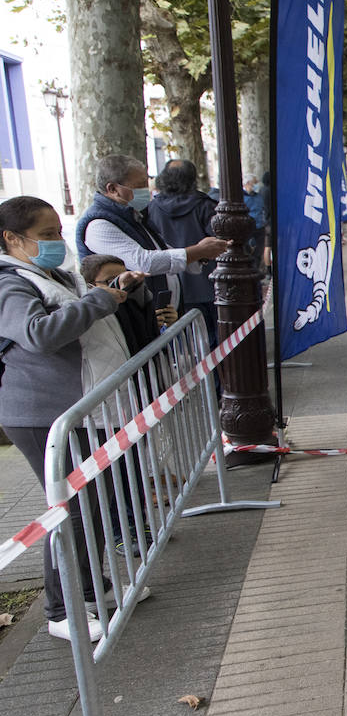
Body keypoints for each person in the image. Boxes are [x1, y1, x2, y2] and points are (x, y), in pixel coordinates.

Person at [0, 196, 147, 642]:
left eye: (58, 232)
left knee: (92, 504)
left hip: (82, 408)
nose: (57, 242)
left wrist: (113, 290)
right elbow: (40, 334)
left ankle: (88, 587)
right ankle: (61, 608)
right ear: (11, 239)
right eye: (46, 236)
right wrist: (101, 299)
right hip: (44, 415)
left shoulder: (49, 273)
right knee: (70, 509)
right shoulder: (10, 284)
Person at [77, 155, 227, 312]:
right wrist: (198, 251)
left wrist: (199, 254)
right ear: (113, 189)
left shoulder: (133, 214)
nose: (145, 190)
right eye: (139, 185)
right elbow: (144, 262)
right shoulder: (98, 225)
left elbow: (160, 249)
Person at [145, 159, 219, 347]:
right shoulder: (206, 206)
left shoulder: (151, 209)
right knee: (213, 342)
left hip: (170, 288)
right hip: (207, 285)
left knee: (184, 346)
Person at [80, 253, 178, 353]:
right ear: (90, 285)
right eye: (111, 281)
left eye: (126, 279)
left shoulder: (139, 304)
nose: (121, 286)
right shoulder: (92, 318)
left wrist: (162, 326)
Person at [242, 173, 266, 260]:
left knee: (259, 251)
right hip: (247, 227)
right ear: (248, 183)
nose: (256, 185)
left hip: (259, 227)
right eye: (254, 183)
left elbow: (262, 209)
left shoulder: (258, 196)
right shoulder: (241, 197)